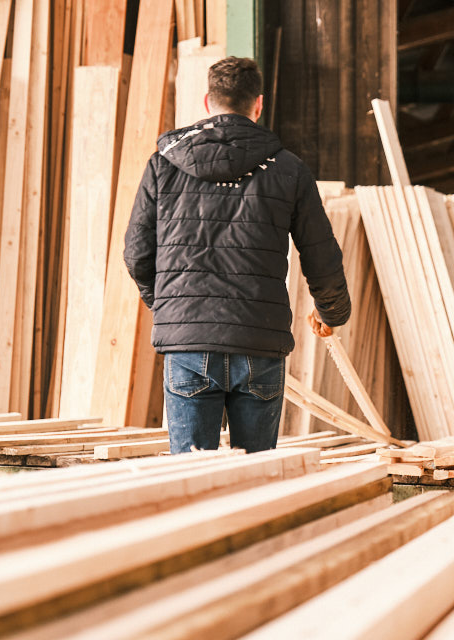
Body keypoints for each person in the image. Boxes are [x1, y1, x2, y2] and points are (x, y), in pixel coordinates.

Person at [123, 57, 350, 454]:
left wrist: (170, 305)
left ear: (208, 102)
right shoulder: (288, 169)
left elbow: (137, 253)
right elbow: (322, 255)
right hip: (258, 341)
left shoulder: (164, 165)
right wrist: (332, 314)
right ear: (258, 105)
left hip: (189, 342)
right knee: (256, 482)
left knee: (190, 484)